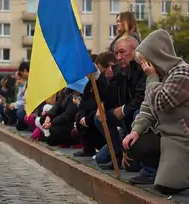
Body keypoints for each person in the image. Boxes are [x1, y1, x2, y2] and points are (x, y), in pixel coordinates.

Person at [122, 29, 189, 194]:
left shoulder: (183, 72)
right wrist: (135, 131)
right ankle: (164, 169)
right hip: (165, 135)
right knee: (134, 145)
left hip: (181, 137)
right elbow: (147, 106)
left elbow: (161, 102)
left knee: (167, 188)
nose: (145, 67)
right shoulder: (159, 76)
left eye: (147, 62)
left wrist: (152, 78)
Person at [94, 36, 146, 169]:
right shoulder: (119, 70)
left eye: (122, 52)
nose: (118, 57)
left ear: (135, 50)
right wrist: (103, 105)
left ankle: (142, 161)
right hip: (125, 121)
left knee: (137, 113)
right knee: (100, 118)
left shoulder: (143, 68)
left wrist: (123, 110)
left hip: (140, 119)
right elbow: (110, 95)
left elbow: (142, 98)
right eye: (116, 53)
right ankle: (117, 154)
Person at [74, 51, 116, 157]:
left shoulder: (104, 82)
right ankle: (88, 149)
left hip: (95, 116)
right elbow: (83, 103)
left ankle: (103, 148)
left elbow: (104, 101)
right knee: (78, 116)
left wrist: (87, 118)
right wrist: (82, 116)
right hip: (87, 117)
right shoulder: (89, 84)